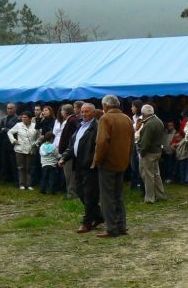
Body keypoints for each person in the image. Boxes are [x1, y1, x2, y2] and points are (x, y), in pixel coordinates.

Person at [93, 94, 134, 238]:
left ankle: (111, 228)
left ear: (105, 106)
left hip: (108, 163)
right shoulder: (127, 118)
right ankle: (121, 226)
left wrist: (97, 160)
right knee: (118, 196)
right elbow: (132, 142)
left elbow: (102, 142)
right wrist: (127, 159)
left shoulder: (106, 118)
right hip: (122, 162)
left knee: (107, 197)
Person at [60, 103, 105, 232]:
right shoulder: (80, 125)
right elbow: (72, 145)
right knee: (80, 192)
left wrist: (94, 161)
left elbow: (99, 146)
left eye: (87, 112)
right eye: (82, 112)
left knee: (90, 194)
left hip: (90, 166)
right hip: (78, 165)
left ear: (93, 113)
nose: (84, 114)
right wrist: (64, 157)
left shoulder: (96, 127)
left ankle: (87, 222)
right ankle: (99, 216)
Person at [138, 104, 166, 203]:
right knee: (156, 174)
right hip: (157, 151)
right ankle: (160, 195)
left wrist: (142, 152)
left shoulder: (149, 124)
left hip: (149, 153)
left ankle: (150, 198)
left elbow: (146, 142)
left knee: (148, 175)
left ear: (144, 114)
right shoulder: (159, 121)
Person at [8, 111, 40, 190]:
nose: (23, 119)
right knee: (21, 167)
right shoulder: (18, 125)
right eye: (22, 117)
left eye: (25, 117)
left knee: (29, 167)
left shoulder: (35, 125)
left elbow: (39, 136)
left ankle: (29, 184)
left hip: (30, 149)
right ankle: (21, 184)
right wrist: (14, 140)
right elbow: (9, 132)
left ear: (29, 118)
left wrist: (35, 144)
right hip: (20, 149)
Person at [58, 104, 78, 199]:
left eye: (62, 111)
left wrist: (65, 150)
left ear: (65, 112)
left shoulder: (71, 121)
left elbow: (69, 138)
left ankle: (71, 193)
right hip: (68, 151)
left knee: (69, 173)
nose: (61, 112)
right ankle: (71, 191)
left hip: (69, 152)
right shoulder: (71, 120)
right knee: (69, 173)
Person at [0, 103, 20, 185]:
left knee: (14, 163)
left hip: (13, 143)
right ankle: (4, 179)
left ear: (15, 109)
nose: (9, 110)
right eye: (8, 108)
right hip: (4, 142)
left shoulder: (18, 119)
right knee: (4, 161)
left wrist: (6, 129)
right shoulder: (4, 118)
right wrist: (0, 130)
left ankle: (16, 180)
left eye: (11, 108)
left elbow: (17, 131)